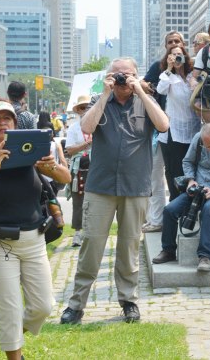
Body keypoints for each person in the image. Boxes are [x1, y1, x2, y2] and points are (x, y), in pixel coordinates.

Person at [0, 98, 70, 360]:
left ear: (15, 124)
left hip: (33, 239)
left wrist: (50, 166)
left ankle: (12, 334)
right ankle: (14, 353)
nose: (2, 123)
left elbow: (65, 178)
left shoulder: (31, 151)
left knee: (43, 306)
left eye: (7, 118)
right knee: (8, 307)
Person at [60, 57, 169, 325]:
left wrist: (141, 90)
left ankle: (129, 301)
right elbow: (86, 128)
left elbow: (164, 125)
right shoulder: (102, 103)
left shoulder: (144, 101)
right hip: (101, 187)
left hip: (135, 187)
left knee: (129, 247)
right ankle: (76, 305)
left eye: (128, 74)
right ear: (109, 77)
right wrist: (105, 93)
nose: (123, 80)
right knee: (91, 246)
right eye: (117, 75)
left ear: (136, 76)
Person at [152, 123, 210, 272]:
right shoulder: (198, 139)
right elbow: (187, 161)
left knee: (209, 208)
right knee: (169, 210)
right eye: (204, 145)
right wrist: (191, 180)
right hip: (197, 187)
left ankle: (205, 256)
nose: (206, 148)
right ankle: (168, 250)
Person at [141, 31, 185, 233]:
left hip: (184, 129)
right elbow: (145, 84)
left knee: (177, 173)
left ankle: (178, 215)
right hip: (160, 130)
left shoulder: (190, 67)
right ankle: (156, 219)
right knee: (155, 175)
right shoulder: (158, 67)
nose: (174, 45)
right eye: (170, 42)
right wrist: (149, 86)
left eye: (177, 42)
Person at [156, 45, 201, 203]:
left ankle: (191, 202)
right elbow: (160, 90)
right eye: (173, 55)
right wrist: (169, 68)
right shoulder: (168, 76)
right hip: (173, 132)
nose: (176, 58)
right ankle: (176, 203)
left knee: (190, 169)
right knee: (175, 170)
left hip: (193, 128)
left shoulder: (191, 76)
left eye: (179, 55)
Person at [65, 95, 92, 247]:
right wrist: (86, 144)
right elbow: (69, 150)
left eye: (88, 107)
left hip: (97, 168)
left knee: (97, 201)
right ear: (78, 110)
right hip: (79, 169)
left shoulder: (98, 124)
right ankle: (77, 233)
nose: (85, 110)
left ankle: (92, 233)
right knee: (78, 201)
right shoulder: (74, 128)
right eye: (82, 108)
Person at [37, 113, 67, 197]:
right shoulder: (56, 144)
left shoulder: (37, 145)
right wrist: (65, 172)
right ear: (52, 134)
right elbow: (62, 160)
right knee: (52, 202)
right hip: (52, 177)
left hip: (38, 179)